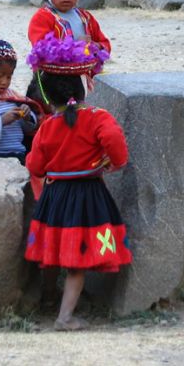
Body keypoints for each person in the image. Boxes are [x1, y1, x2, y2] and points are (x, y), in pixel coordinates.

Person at [23, 33, 131, 331]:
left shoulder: (47, 127)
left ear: (48, 96)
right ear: (82, 86)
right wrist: (115, 162)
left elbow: (35, 165)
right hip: (87, 198)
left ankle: (47, 299)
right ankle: (65, 317)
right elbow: (113, 141)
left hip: (55, 198)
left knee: (53, 252)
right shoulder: (97, 118)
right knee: (77, 261)